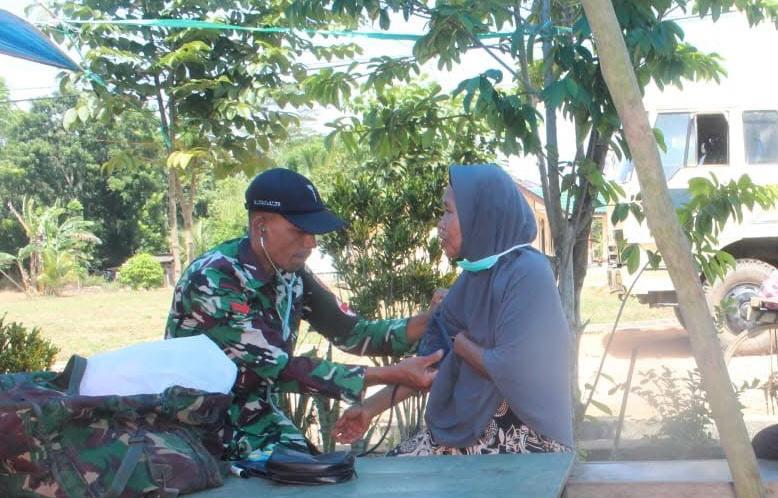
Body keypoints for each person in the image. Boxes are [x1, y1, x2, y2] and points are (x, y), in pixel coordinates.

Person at [165, 167, 442, 459]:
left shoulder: (290, 274)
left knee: (316, 481)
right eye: (300, 231)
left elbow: (353, 333)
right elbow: (280, 368)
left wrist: (431, 319)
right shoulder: (214, 279)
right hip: (197, 429)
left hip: (255, 419)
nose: (311, 243)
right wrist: (392, 374)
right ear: (261, 226)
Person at [333, 163, 574, 455]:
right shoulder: (472, 279)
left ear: (480, 216)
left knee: (398, 484)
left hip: (525, 436)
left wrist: (460, 343)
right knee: (385, 478)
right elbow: (430, 363)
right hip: (472, 430)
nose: (440, 224)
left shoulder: (527, 271)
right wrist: (369, 408)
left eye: (448, 211)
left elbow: (513, 367)